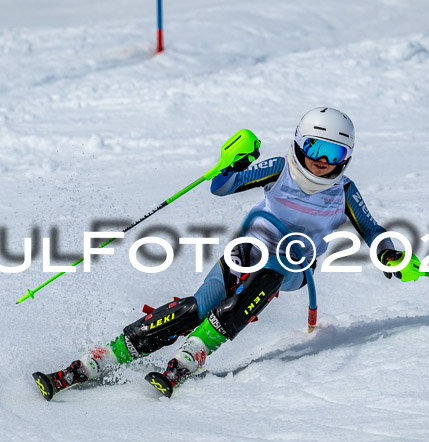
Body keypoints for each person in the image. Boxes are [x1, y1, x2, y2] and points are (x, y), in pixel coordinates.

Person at [33, 107, 404, 400]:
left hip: (294, 266)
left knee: (278, 265)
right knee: (197, 307)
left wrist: (389, 254)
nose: (322, 161)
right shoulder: (281, 168)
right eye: (314, 148)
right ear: (298, 144)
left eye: (333, 152)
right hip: (248, 249)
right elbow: (221, 187)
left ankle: (194, 352)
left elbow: (373, 231)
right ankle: (101, 359)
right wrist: (232, 163)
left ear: (347, 156)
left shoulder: (345, 191)